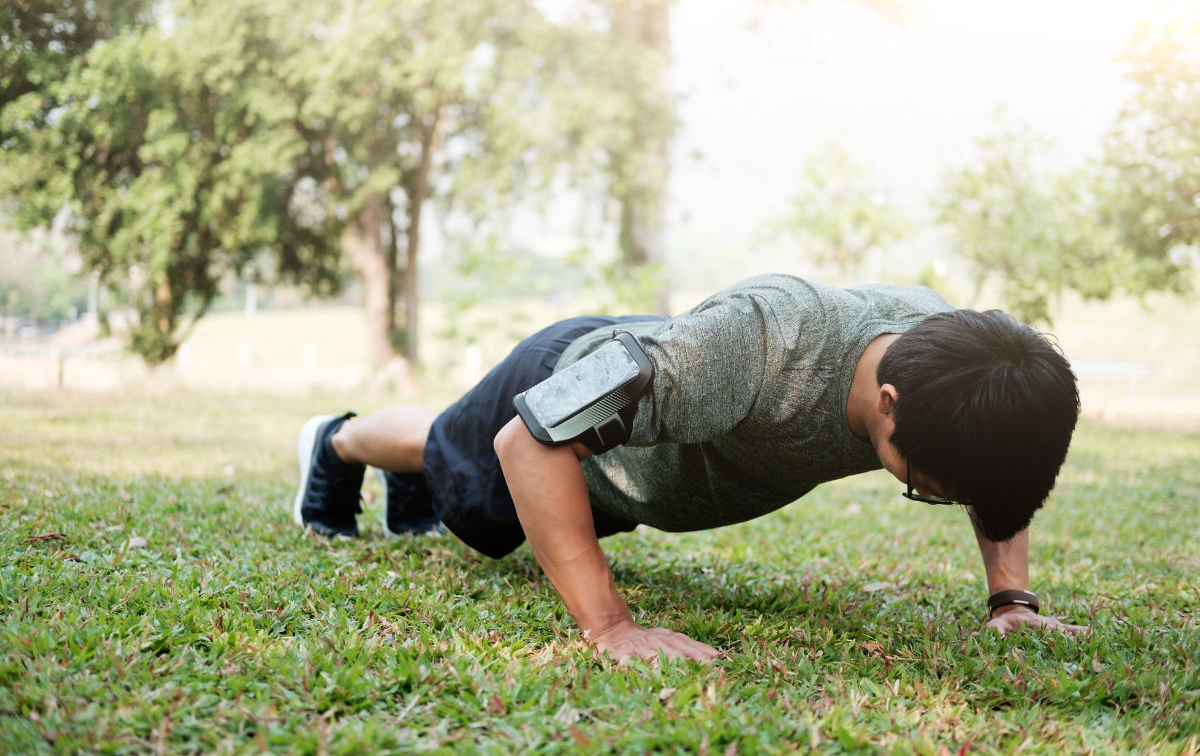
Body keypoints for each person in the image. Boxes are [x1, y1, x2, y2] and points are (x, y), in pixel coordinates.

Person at [293, 274, 1085, 664]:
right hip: (565, 386)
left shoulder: (975, 364)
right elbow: (529, 442)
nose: (941, 496)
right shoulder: (765, 344)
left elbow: (996, 457)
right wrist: (611, 627)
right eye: (924, 485)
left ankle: (411, 476)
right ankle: (335, 442)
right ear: (888, 403)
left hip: (636, 453)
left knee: (448, 468)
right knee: (457, 463)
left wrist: (1008, 597)